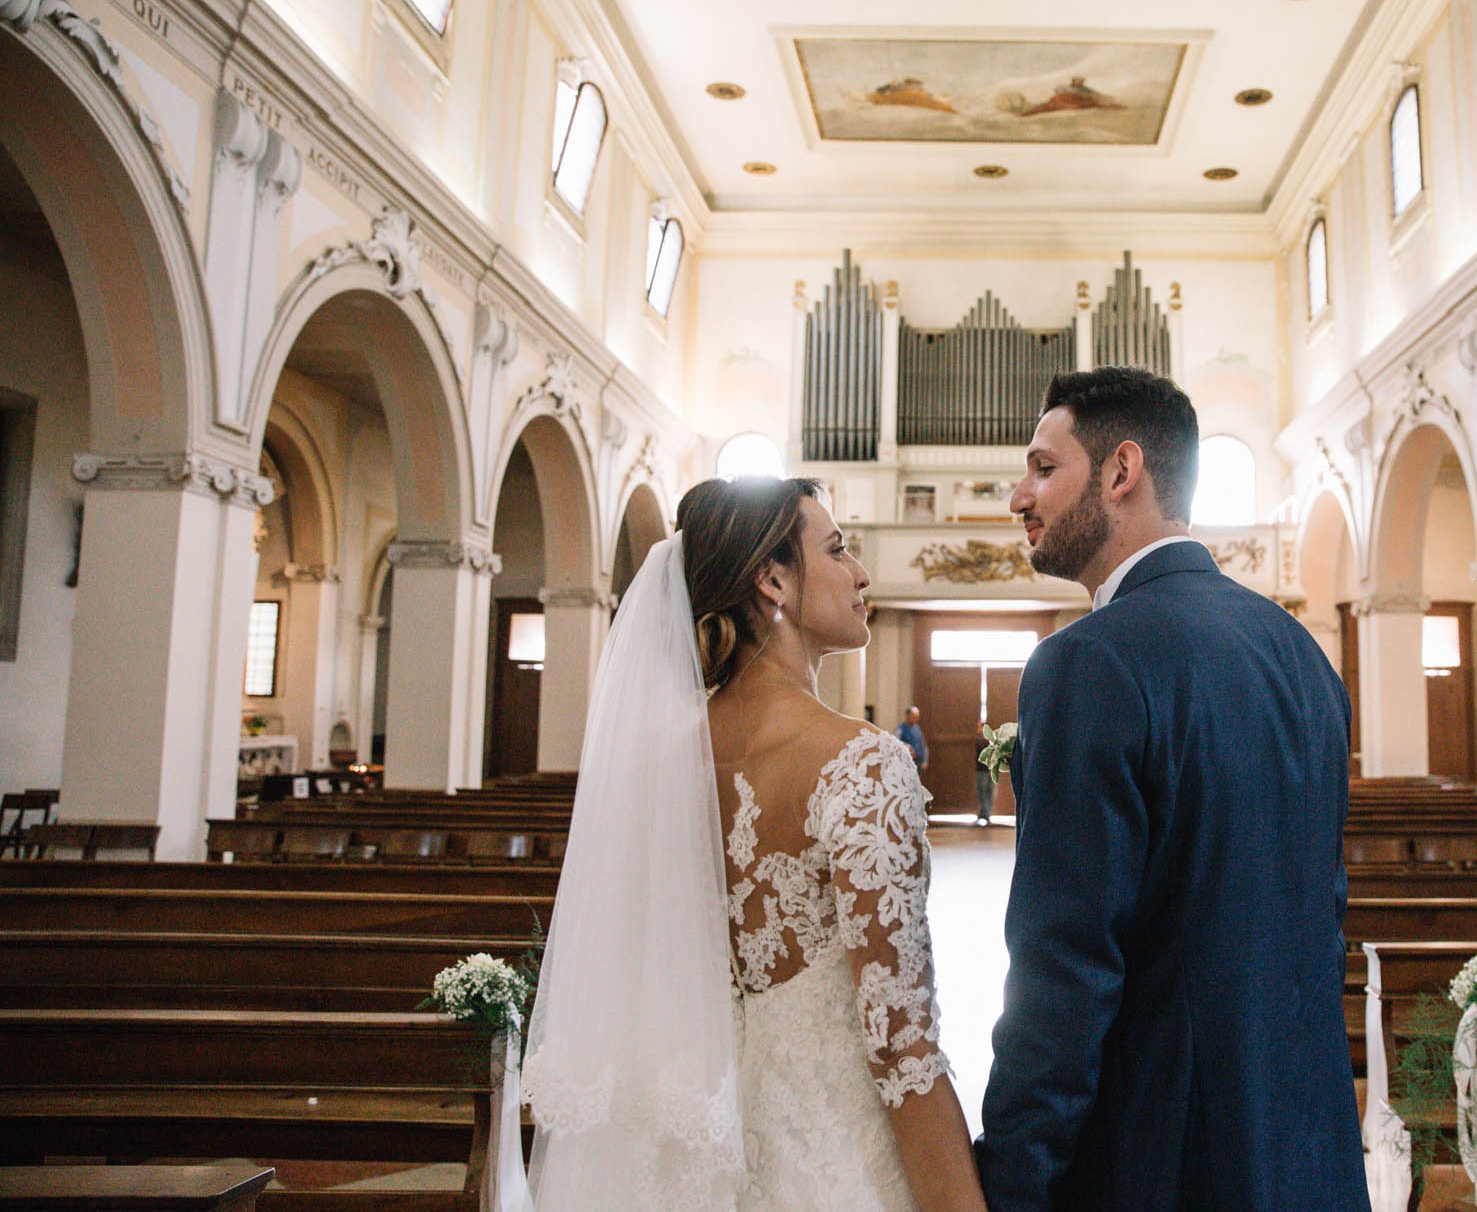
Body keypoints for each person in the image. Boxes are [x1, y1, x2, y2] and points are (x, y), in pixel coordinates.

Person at [522, 476, 986, 1211]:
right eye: (837, 549)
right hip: (836, 1170)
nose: (862, 572)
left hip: (698, 1164)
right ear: (772, 579)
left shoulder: (658, 761)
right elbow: (902, 1048)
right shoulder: (863, 766)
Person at [979, 368, 1367, 1210]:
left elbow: (1064, 970)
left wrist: (1011, 1179)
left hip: (1163, 1157)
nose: (1018, 495)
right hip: (1306, 1143)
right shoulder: (1299, 651)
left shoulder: (1088, 660)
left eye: (1045, 467)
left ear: (1122, 471)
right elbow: (1317, 915)